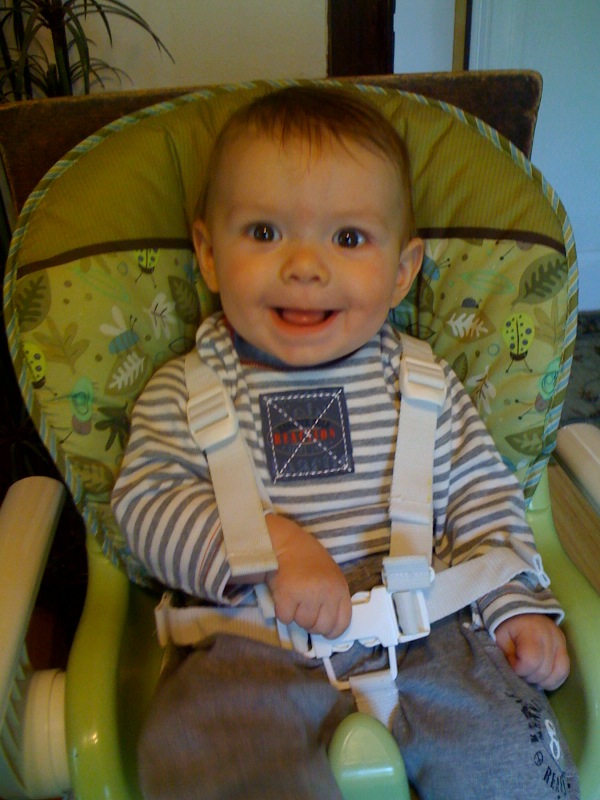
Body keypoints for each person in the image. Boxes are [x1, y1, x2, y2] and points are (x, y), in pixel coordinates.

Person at [112, 85, 579, 800]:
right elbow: (146, 507)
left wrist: (516, 604)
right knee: (208, 759)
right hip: (252, 643)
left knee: (515, 759)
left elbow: (482, 498)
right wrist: (270, 549)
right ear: (207, 253)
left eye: (349, 239)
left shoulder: (423, 384)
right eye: (263, 232)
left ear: (402, 272)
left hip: (433, 633)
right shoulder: (189, 391)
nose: (305, 265)